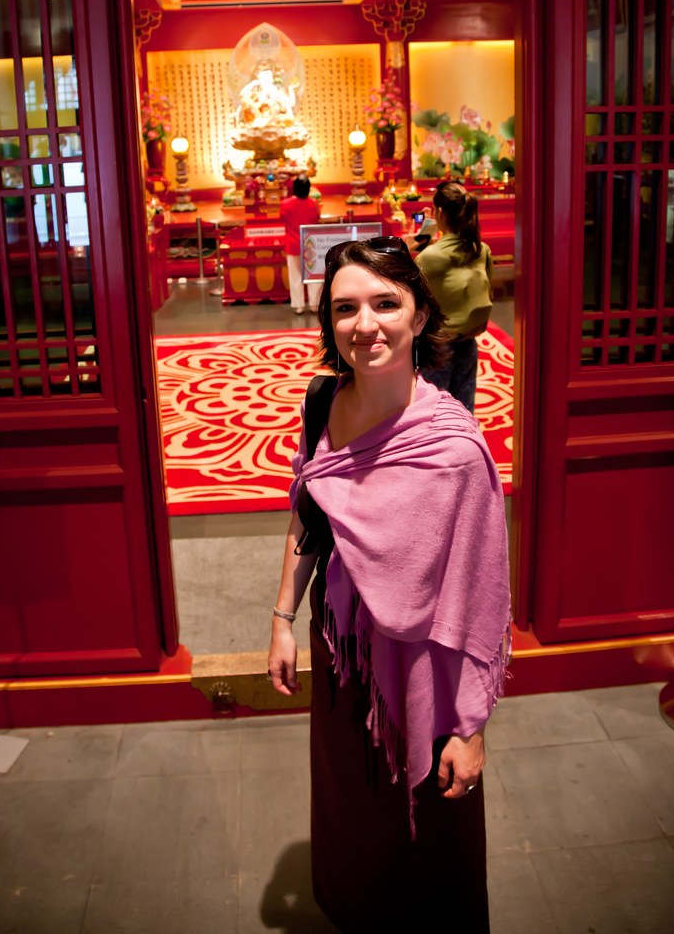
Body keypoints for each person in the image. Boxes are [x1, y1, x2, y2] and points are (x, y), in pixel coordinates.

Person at [267, 237, 511, 932]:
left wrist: (470, 728)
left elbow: (478, 598)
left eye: (385, 303)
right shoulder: (323, 401)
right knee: (350, 806)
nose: (364, 324)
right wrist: (282, 618)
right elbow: (307, 511)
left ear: (419, 315)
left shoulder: (453, 447)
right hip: (342, 650)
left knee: (427, 843)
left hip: (423, 674)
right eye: (345, 308)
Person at [416, 181, 493, 414]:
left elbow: (413, 301)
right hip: (468, 341)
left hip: (437, 346)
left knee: (432, 410)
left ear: (439, 212)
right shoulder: (481, 249)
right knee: (464, 408)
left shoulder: (429, 256)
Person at [280, 174, 321, 314]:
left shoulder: (285, 204)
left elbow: (282, 218)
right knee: (313, 275)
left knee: (295, 276)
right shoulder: (314, 203)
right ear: (308, 189)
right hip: (310, 244)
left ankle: (299, 305)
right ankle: (314, 304)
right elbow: (317, 218)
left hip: (293, 244)